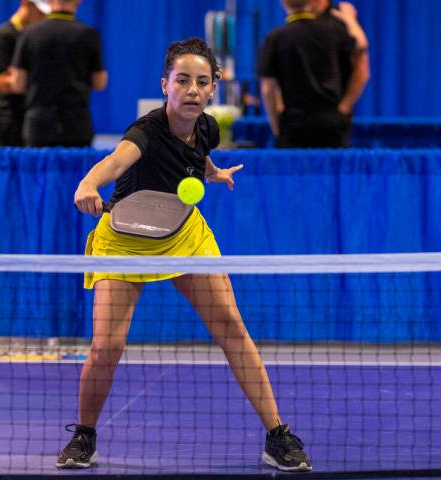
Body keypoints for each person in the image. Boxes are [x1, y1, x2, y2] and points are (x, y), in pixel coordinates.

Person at [59, 38, 312, 473]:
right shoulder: (145, 132)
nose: (192, 89)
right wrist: (87, 184)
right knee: (107, 345)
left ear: (213, 87)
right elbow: (115, 163)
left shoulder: (208, 126)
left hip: (182, 233)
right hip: (124, 240)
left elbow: (198, 155)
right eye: (182, 80)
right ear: (165, 85)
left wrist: (212, 173)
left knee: (231, 326)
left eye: (201, 81)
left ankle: (277, 435)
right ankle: (85, 435)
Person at [256, 0, 362, 148]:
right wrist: (351, 19)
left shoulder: (275, 38)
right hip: (331, 123)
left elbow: (268, 89)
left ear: (283, 3)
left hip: (294, 123)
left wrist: (276, 125)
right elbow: (361, 47)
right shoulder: (333, 32)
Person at [10, 0, 107, 147]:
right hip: (76, 125)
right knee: (78, 171)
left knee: (37, 170)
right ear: (78, 2)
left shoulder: (29, 33)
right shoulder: (89, 34)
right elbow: (99, 83)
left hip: (38, 125)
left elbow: (17, 84)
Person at [0, 0, 50, 146]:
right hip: (10, 122)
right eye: (40, 12)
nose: (43, 18)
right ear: (26, 4)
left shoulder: (38, 37)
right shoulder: (4, 35)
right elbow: (2, 83)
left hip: (34, 122)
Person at [309, 0, 370, 145]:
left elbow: (360, 48)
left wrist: (344, 107)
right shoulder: (297, 27)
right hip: (300, 118)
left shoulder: (339, 23)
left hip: (333, 116)